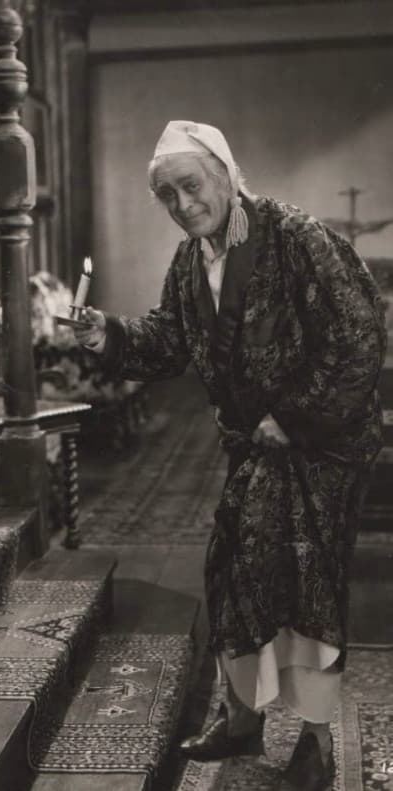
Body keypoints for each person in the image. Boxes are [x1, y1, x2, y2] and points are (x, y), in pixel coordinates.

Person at [73, 120, 386, 791]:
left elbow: (359, 335)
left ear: (226, 175)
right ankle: (242, 717)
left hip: (321, 444)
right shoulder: (191, 260)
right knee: (232, 572)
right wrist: (107, 334)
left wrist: (292, 416)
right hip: (254, 446)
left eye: (191, 186)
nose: (183, 204)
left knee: (305, 584)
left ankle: (316, 742)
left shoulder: (295, 236)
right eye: (168, 196)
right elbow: (169, 341)